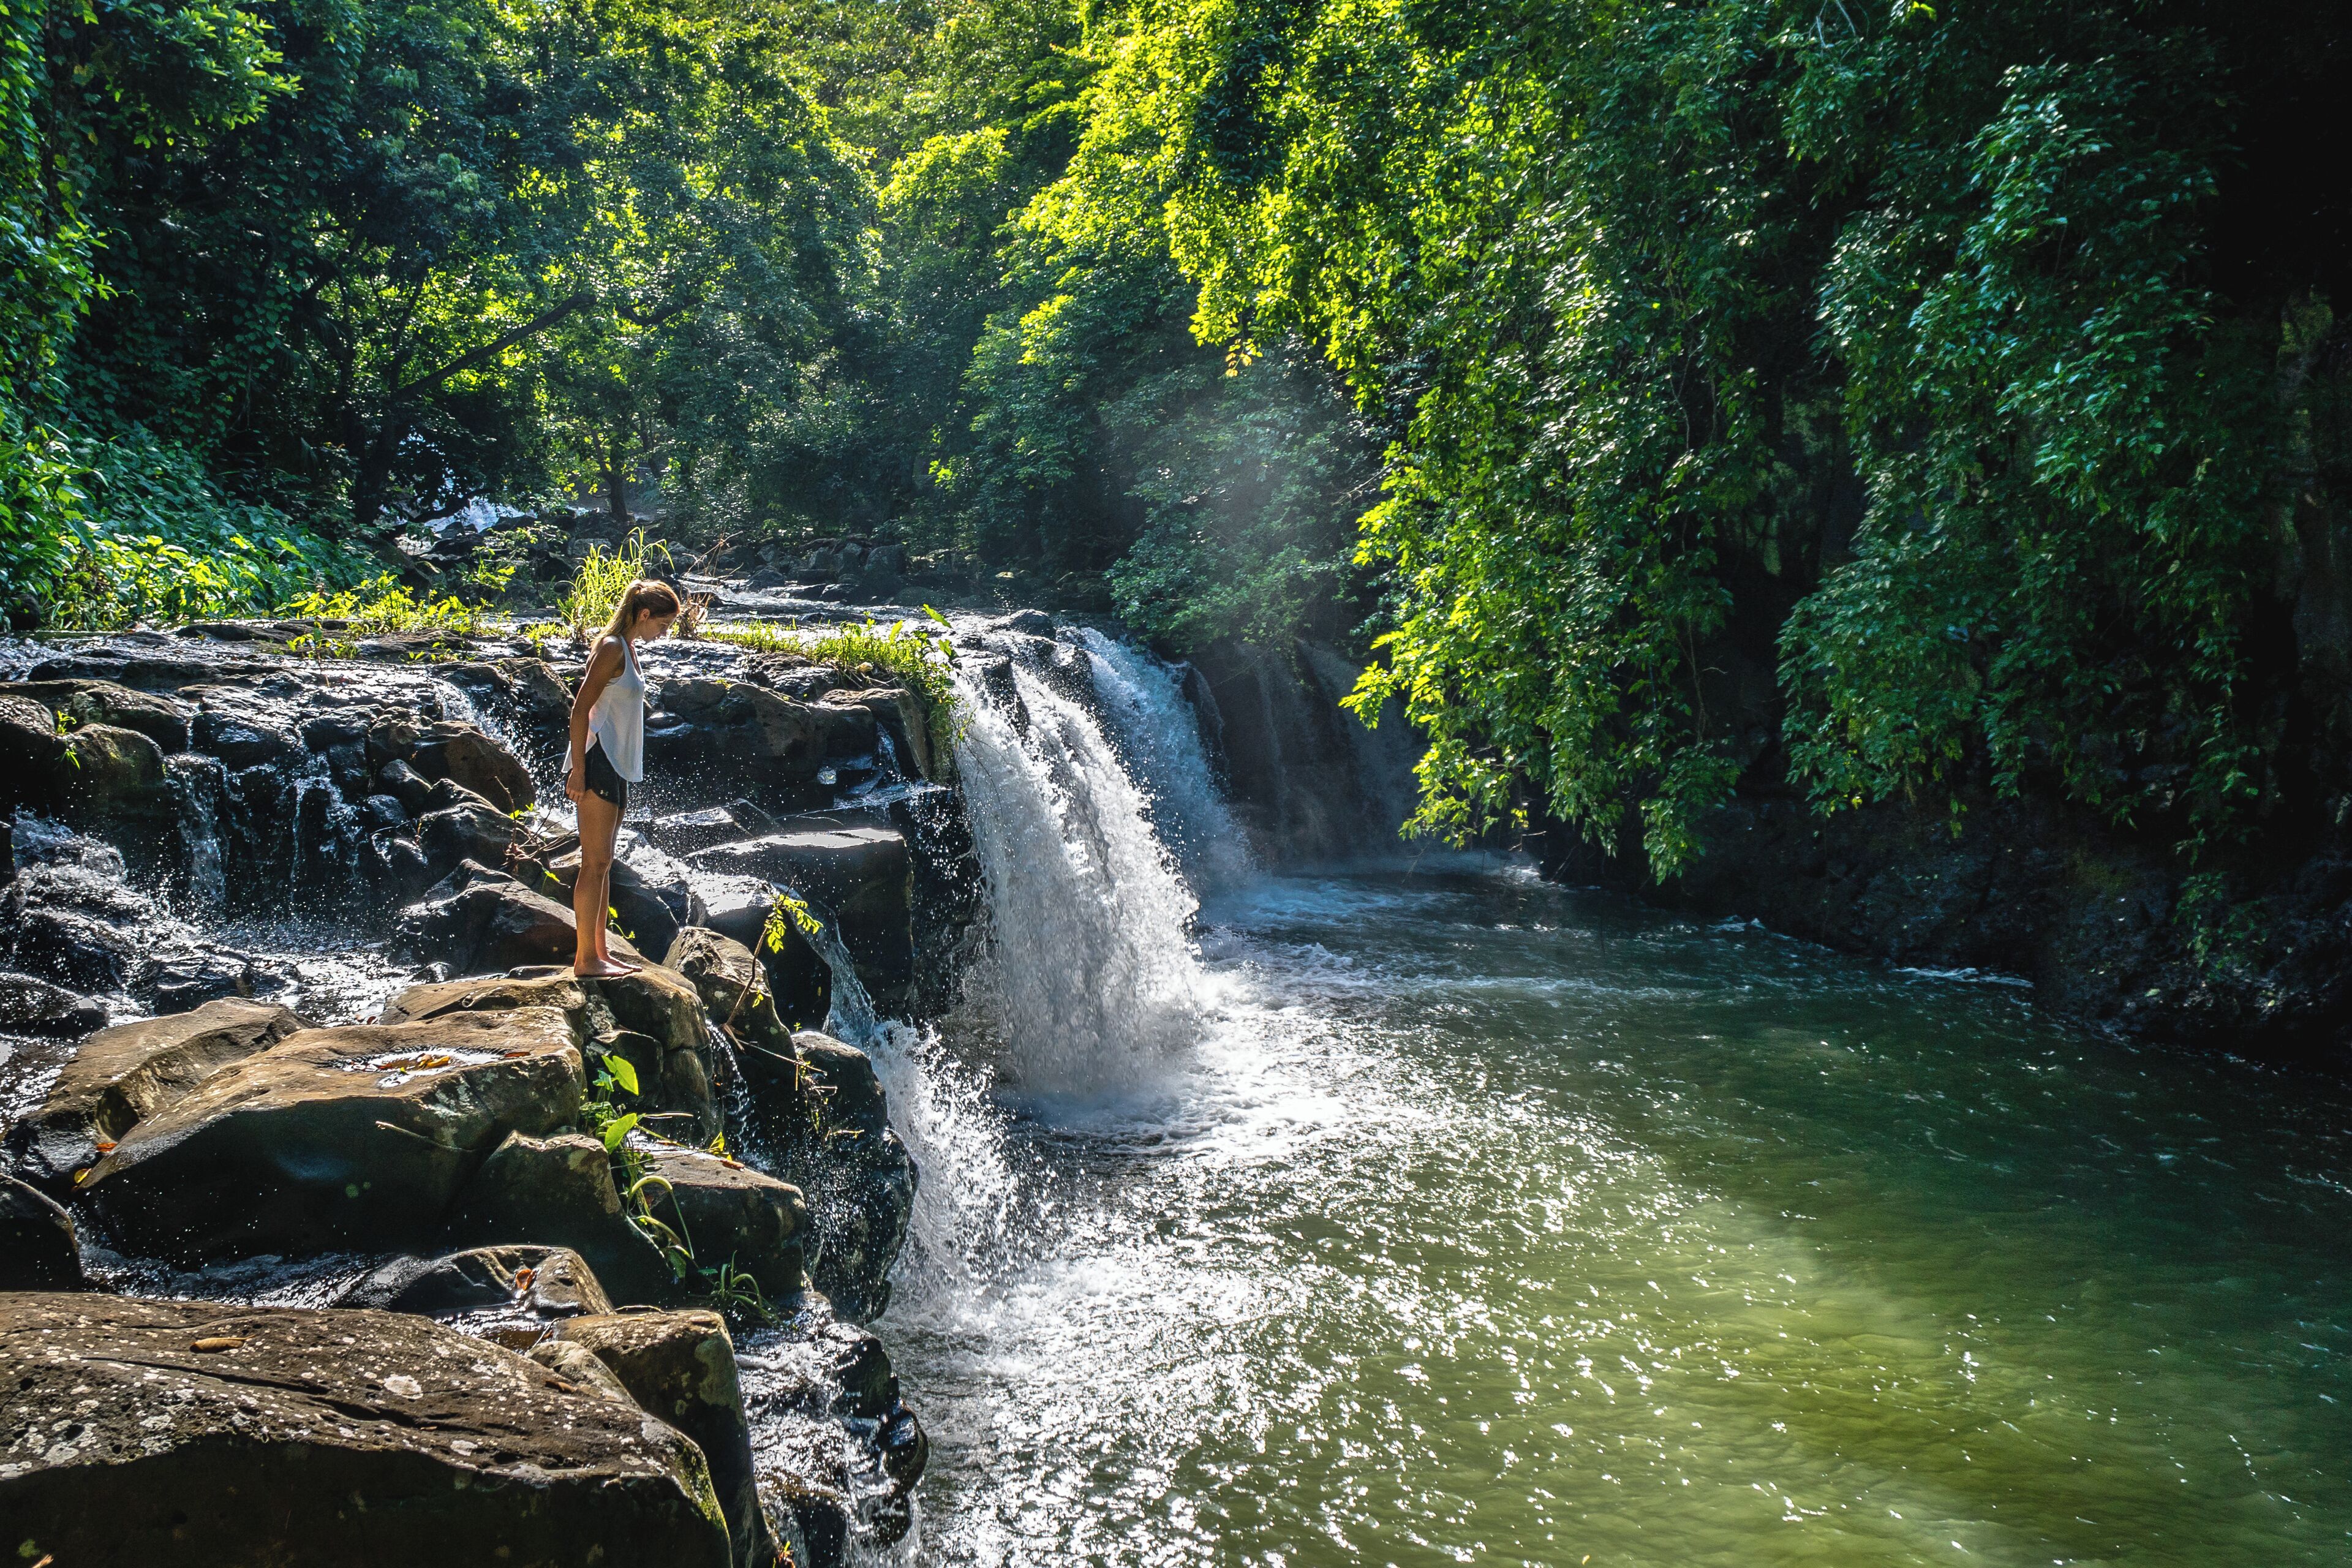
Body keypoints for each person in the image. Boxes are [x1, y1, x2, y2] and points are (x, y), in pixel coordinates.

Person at [564, 578, 680, 976]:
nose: (663, 634)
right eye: (662, 625)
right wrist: (578, 771)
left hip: (616, 766)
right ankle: (585, 960)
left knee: (604, 863)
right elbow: (580, 710)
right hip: (597, 762)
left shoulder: (628, 649)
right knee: (592, 863)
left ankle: (600, 952)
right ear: (644, 614)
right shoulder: (613, 648)